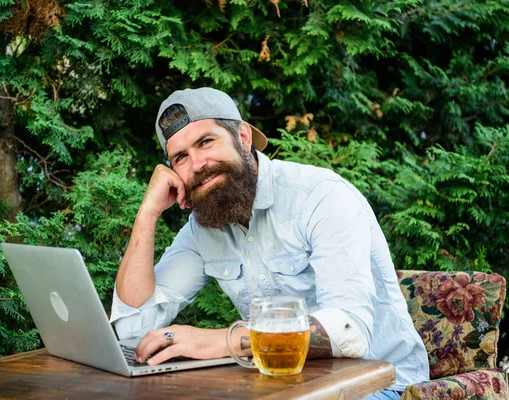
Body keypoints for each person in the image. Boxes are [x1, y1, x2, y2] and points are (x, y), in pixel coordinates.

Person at [110, 87, 429, 398]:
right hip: (282, 386)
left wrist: (223, 341)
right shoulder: (202, 229)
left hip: (382, 384)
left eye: (206, 142)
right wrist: (147, 213)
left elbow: (351, 329)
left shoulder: (321, 197)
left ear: (243, 138)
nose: (196, 164)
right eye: (180, 157)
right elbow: (131, 330)